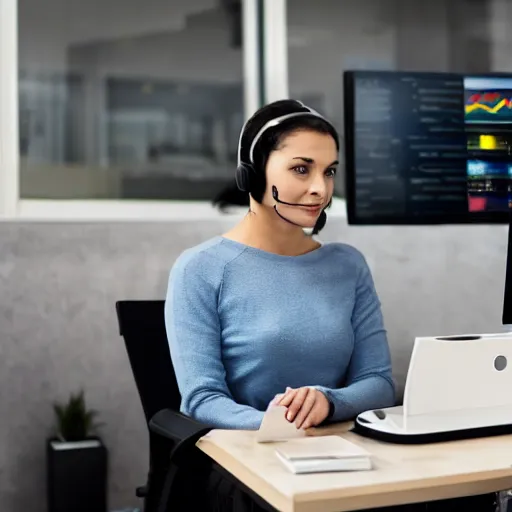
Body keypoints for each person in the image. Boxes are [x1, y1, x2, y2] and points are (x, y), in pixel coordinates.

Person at [164, 100, 496, 512]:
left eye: (329, 171)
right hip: (248, 469)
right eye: (301, 169)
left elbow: (377, 382)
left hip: (345, 456)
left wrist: (327, 401)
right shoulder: (200, 268)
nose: (320, 188)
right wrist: (282, 426)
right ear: (253, 172)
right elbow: (201, 400)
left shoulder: (347, 264)